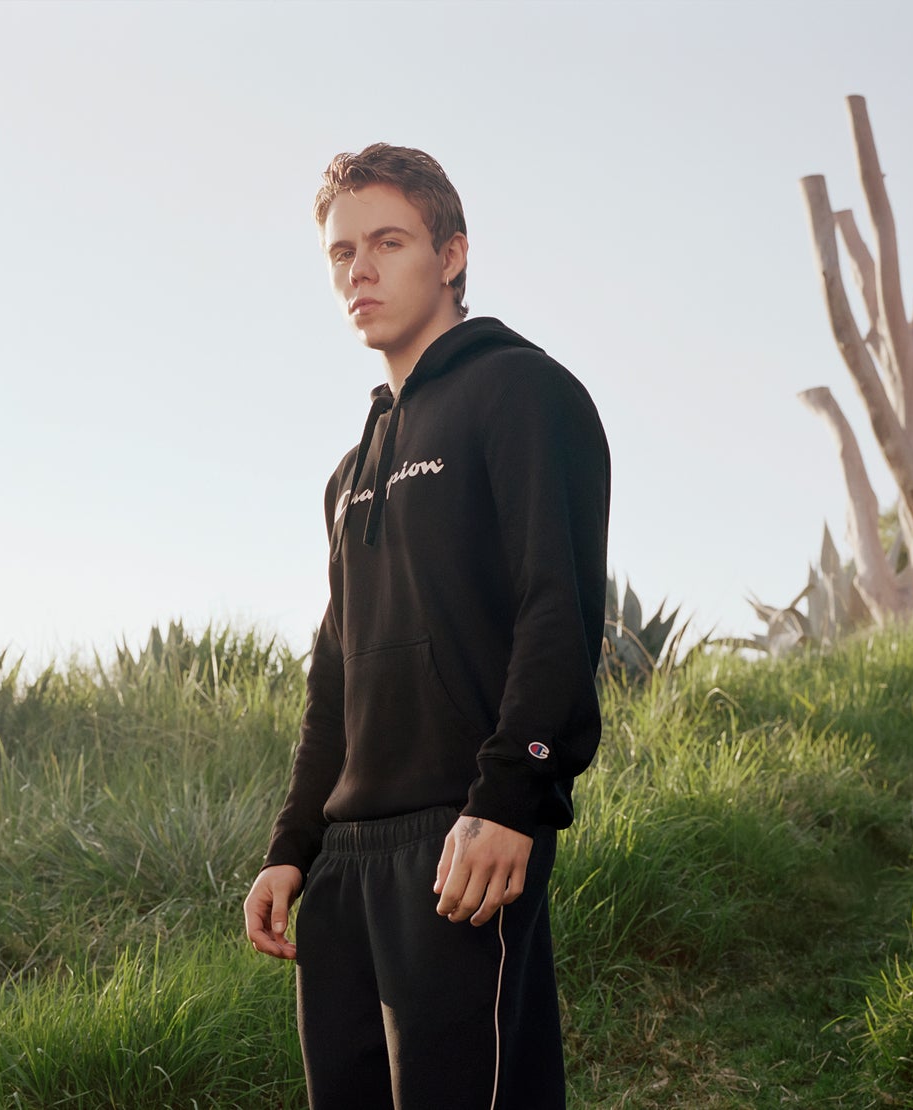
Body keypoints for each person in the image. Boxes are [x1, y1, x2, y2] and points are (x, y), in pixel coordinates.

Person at [241, 142, 611, 1109]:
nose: (358, 270)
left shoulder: (525, 395)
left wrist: (512, 797)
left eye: (387, 242)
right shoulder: (352, 468)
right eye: (339, 252)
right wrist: (293, 844)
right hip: (347, 865)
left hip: (463, 839)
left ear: (450, 254)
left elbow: (556, 607)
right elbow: (337, 675)